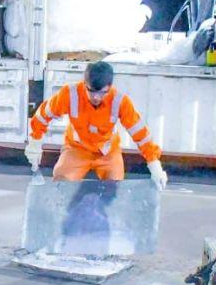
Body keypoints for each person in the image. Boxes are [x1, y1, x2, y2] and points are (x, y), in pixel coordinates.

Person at [24, 61, 168, 190]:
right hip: (77, 148)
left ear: (110, 87)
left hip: (107, 153)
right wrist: (34, 143)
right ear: (85, 83)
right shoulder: (70, 94)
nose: (96, 97)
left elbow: (140, 134)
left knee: (115, 188)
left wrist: (155, 165)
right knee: (62, 184)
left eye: (102, 92)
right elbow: (42, 116)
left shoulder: (120, 102)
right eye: (91, 91)